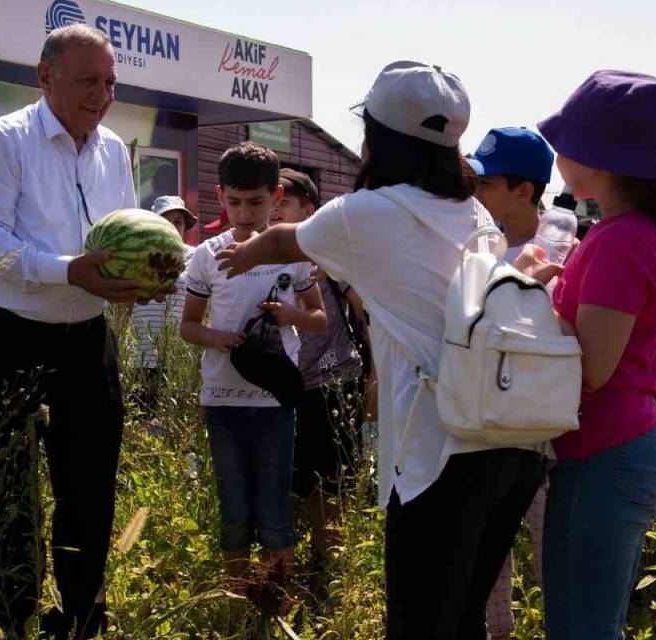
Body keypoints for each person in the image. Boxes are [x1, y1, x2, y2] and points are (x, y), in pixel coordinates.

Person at [216, 61, 548, 639]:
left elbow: (282, 240)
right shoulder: (472, 211)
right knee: (465, 621)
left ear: (376, 137)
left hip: (441, 456)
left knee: (421, 628)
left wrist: (241, 253)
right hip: (511, 446)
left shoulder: (368, 214)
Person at [0, 24, 155, 640]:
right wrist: (66, 269)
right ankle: (11, 623)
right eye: (88, 80)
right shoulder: (3, 141)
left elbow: (118, 232)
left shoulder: (114, 149)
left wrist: (138, 274)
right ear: (45, 77)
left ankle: (81, 620)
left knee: (90, 489)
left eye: (111, 81)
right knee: (10, 492)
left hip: (86, 337)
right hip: (5, 333)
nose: (102, 94)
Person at [525, 69, 656, 639]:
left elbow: (592, 367)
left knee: (582, 630)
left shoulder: (619, 239)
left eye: (566, 140)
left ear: (598, 154)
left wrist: (530, 298)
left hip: (604, 453)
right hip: (613, 451)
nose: (559, 150)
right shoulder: (633, 233)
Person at [179, 142, 326, 613]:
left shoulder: (292, 251)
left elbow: (319, 317)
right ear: (220, 196)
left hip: (274, 403)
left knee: (274, 510)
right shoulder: (206, 255)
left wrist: (290, 315)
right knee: (234, 510)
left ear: (276, 195)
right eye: (235, 202)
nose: (244, 213)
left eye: (256, 202)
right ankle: (239, 608)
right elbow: (188, 325)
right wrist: (215, 337)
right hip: (221, 401)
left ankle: (277, 606)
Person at [466, 125, 554, 640]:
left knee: (554, 564)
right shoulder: (481, 248)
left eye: (488, 182)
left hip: (545, 436)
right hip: (489, 430)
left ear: (525, 189)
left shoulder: (562, 250)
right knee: (488, 570)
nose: (477, 191)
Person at [271, 168, 367, 597]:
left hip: (333, 379)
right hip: (283, 386)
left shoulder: (328, 254)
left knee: (330, 486)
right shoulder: (261, 253)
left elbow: (362, 309)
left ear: (308, 210)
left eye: (283, 204)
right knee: (298, 482)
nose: (274, 213)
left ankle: (330, 573)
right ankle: (304, 571)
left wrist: (378, 369)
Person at [130, 196, 197, 418]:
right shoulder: (136, 259)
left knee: (176, 427)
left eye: (177, 222)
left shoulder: (196, 258)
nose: (171, 228)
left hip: (179, 358)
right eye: (163, 221)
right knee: (143, 426)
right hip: (141, 358)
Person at [468, 126, 554, 261]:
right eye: (474, 182)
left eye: (484, 183)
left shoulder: (552, 258)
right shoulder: (477, 240)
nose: (473, 193)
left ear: (524, 191)